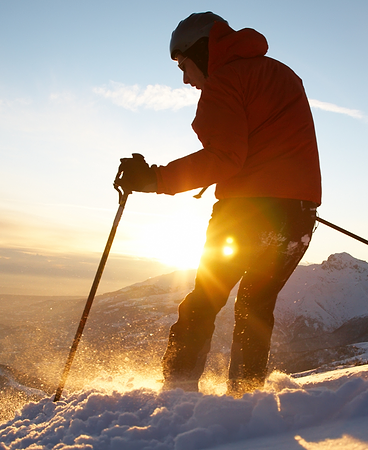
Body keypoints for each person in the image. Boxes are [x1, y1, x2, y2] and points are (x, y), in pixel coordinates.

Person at [116, 12, 321, 397]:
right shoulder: (280, 73)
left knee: (205, 300)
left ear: (201, 51)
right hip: (298, 213)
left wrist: (154, 178)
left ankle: (175, 394)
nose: (185, 79)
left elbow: (225, 157)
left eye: (184, 65)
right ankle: (245, 397)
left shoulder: (226, 79)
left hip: (246, 212)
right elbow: (276, 142)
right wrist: (291, 198)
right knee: (255, 307)